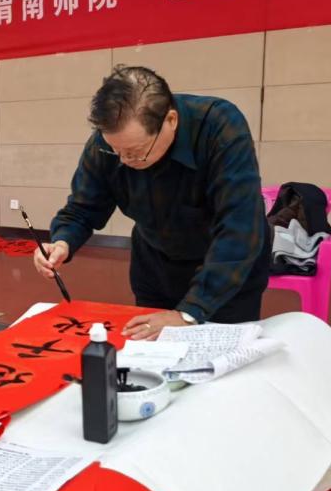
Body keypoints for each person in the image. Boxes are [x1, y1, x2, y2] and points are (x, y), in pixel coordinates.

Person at [34, 65, 270, 339]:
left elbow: (239, 227)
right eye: (116, 151)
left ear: (171, 120)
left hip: (225, 271)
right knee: (151, 352)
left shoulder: (219, 126)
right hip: (155, 266)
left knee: (218, 353)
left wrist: (188, 314)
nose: (124, 160)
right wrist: (62, 242)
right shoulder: (107, 142)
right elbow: (83, 207)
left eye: (135, 152)